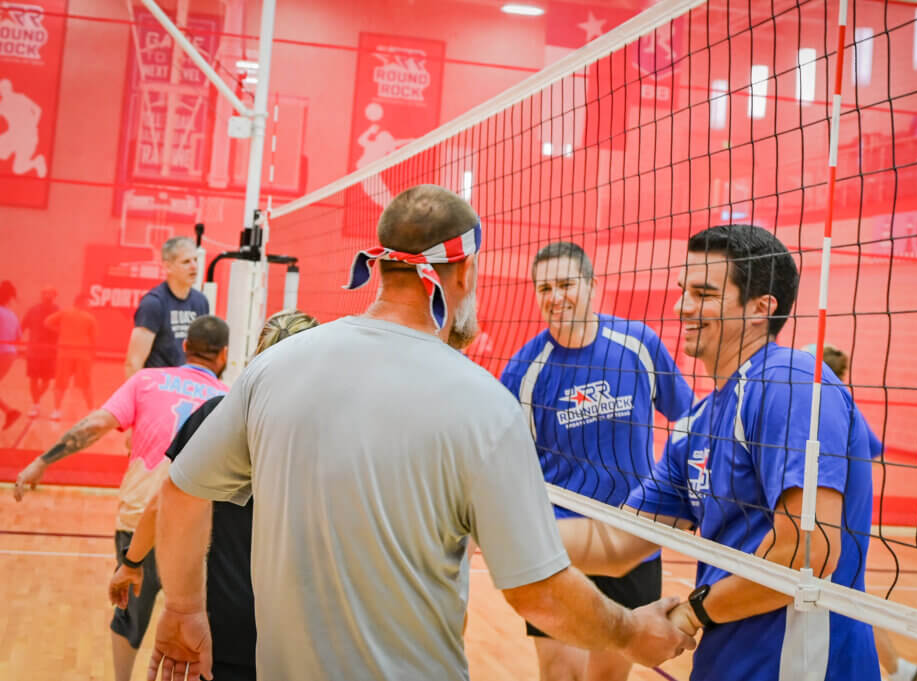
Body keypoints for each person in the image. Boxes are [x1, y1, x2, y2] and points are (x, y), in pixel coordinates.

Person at [146, 185, 694, 681]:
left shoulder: (273, 367)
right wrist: (630, 632)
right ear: (465, 272)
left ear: (382, 264)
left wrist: (183, 609)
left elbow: (181, 490)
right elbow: (536, 592)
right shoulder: (486, 402)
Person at [558, 224, 880, 681]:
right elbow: (619, 541)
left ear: (761, 308)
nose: (682, 306)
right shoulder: (697, 422)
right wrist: (499, 536)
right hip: (722, 665)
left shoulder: (788, 381)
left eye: (703, 294)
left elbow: (807, 550)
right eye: (683, 290)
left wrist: (692, 614)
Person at [500, 241, 694, 681]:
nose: (555, 296)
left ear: (592, 286)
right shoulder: (523, 371)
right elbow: (508, 465)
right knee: (560, 675)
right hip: (562, 543)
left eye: (566, 284)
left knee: (608, 676)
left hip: (632, 537)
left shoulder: (638, 344)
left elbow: (689, 420)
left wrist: (684, 496)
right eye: (544, 288)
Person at [13, 315, 230, 681]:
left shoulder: (147, 380)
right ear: (223, 355)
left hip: (136, 521)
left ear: (184, 347)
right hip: (196, 532)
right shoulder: (227, 398)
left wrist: (42, 461)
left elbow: (96, 425)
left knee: (130, 616)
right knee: (198, 625)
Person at [109, 310, 320, 681]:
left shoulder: (217, 414)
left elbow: (165, 502)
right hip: (302, 630)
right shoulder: (331, 433)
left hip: (222, 624)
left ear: (258, 356)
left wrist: (131, 561)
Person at [804, 343, 917, 681]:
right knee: (848, 596)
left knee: (845, 597)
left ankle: (894, 669)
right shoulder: (838, 402)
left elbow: (869, 448)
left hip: (835, 520)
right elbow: (873, 447)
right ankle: (899, 669)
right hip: (843, 518)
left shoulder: (829, 403)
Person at [124, 236, 208, 377]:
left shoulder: (201, 301)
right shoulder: (153, 303)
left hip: (186, 384)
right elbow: (133, 363)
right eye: (186, 262)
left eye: (195, 260)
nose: (194, 266)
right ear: (168, 267)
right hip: (158, 385)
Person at [45, 293, 98, 420]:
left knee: (62, 383)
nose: (89, 305)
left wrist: (59, 331)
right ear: (81, 302)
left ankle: (57, 411)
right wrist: (93, 355)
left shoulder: (66, 313)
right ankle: (91, 410)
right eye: (87, 302)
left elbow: (47, 322)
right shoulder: (88, 317)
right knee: (83, 383)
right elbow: (93, 339)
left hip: (68, 353)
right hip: (79, 355)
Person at [22, 286, 59, 418]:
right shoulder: (32, 310)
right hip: (34, 352)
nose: (47, 296)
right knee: (33, 379)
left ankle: (36, 401)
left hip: (50, 352)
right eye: (45, 293)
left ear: (55, 296)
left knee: (46, 381)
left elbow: (62, 330)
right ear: (41, 295)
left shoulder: (58, 311)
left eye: (50, 293)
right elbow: (22, 326)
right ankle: (36, 404)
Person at [0, 279, 22, 429]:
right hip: (10, 355)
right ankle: (9, 411)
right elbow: (18, 338)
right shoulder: (12, 315)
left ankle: (9, 411)